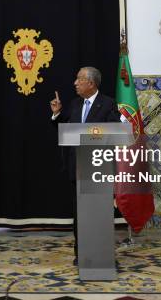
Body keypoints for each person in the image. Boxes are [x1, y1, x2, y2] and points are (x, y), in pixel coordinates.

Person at [49, 66, 121, 265]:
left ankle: (103, 253)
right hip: (77, 167)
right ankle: (81, 253)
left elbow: (115, 132)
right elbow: (67, 128)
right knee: (79, 214)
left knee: (100, 214)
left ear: (91, 83)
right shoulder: (74, 104)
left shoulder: (108, 104)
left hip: (99, 168)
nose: (75, 83)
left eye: (79, 79)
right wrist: (57, 114)